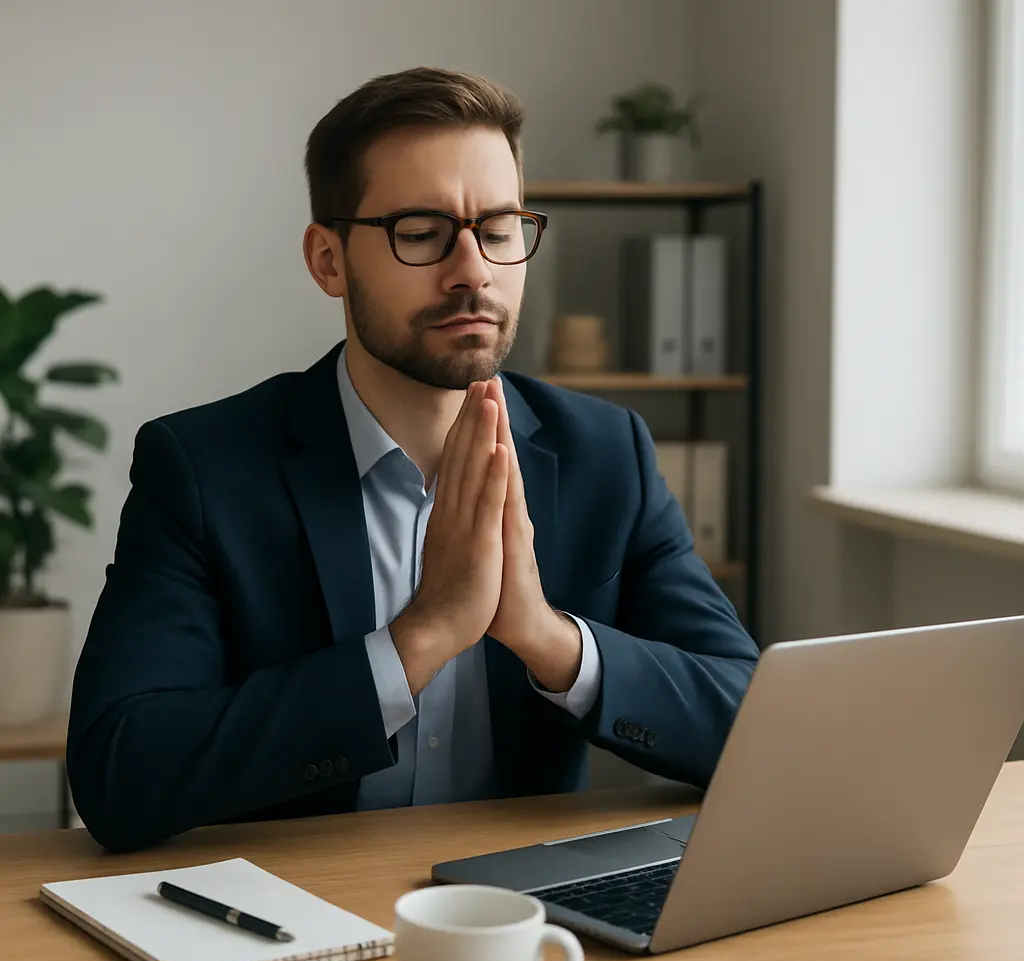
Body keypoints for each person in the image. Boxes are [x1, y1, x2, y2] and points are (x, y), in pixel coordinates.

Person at [67, 66, 760, 853]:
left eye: (497, 230)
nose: (472, 270)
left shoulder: (607, 455)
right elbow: (119, 772)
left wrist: (545, 637)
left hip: (521, 928)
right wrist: (417, 641)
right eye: (422, 234)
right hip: (283, 921)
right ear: (328, 260)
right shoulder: (201, 470)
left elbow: (755, 721)